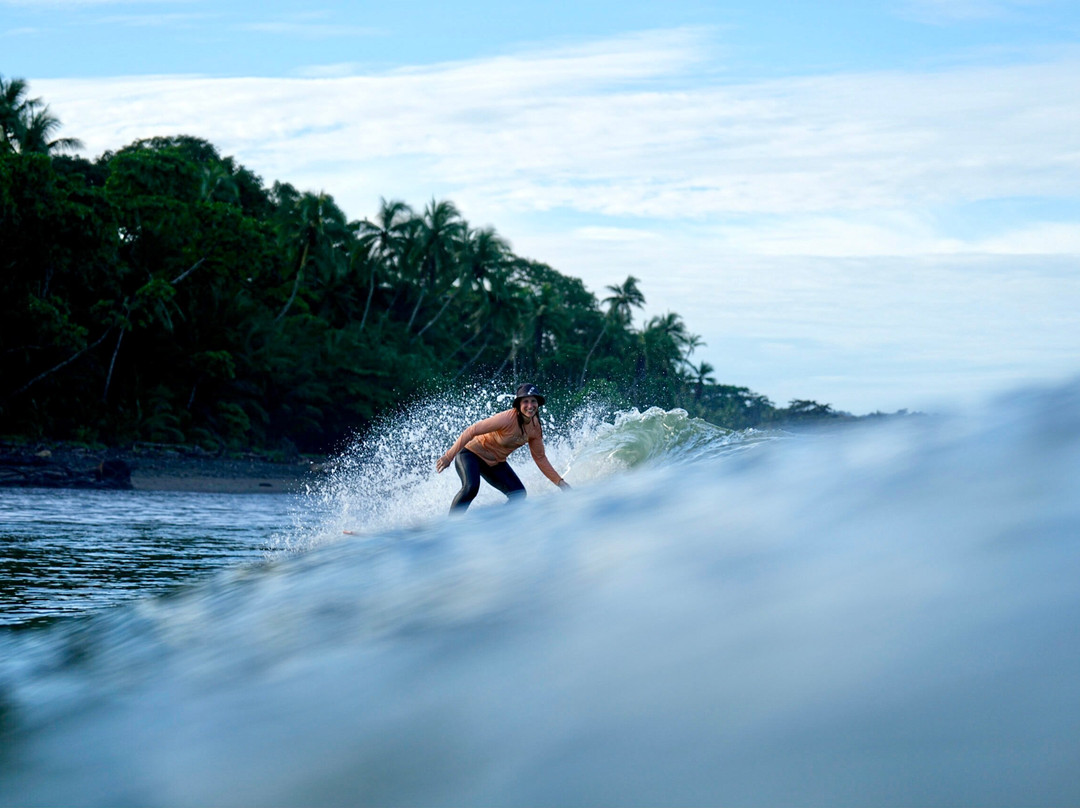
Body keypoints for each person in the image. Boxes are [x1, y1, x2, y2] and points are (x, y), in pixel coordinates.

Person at [436, 383, 570, 512]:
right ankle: (452, 523)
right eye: (525, 402)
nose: (530, 406)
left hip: (495, 463)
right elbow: (472, 430)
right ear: (518, 405)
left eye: (533, 401)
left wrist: (560, 483)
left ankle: (496, 523)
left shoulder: (535, 428)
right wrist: (448, 456)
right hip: (471, 455)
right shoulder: (506, 419)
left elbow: (540, 458)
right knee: (471, 488)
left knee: (518, 494)